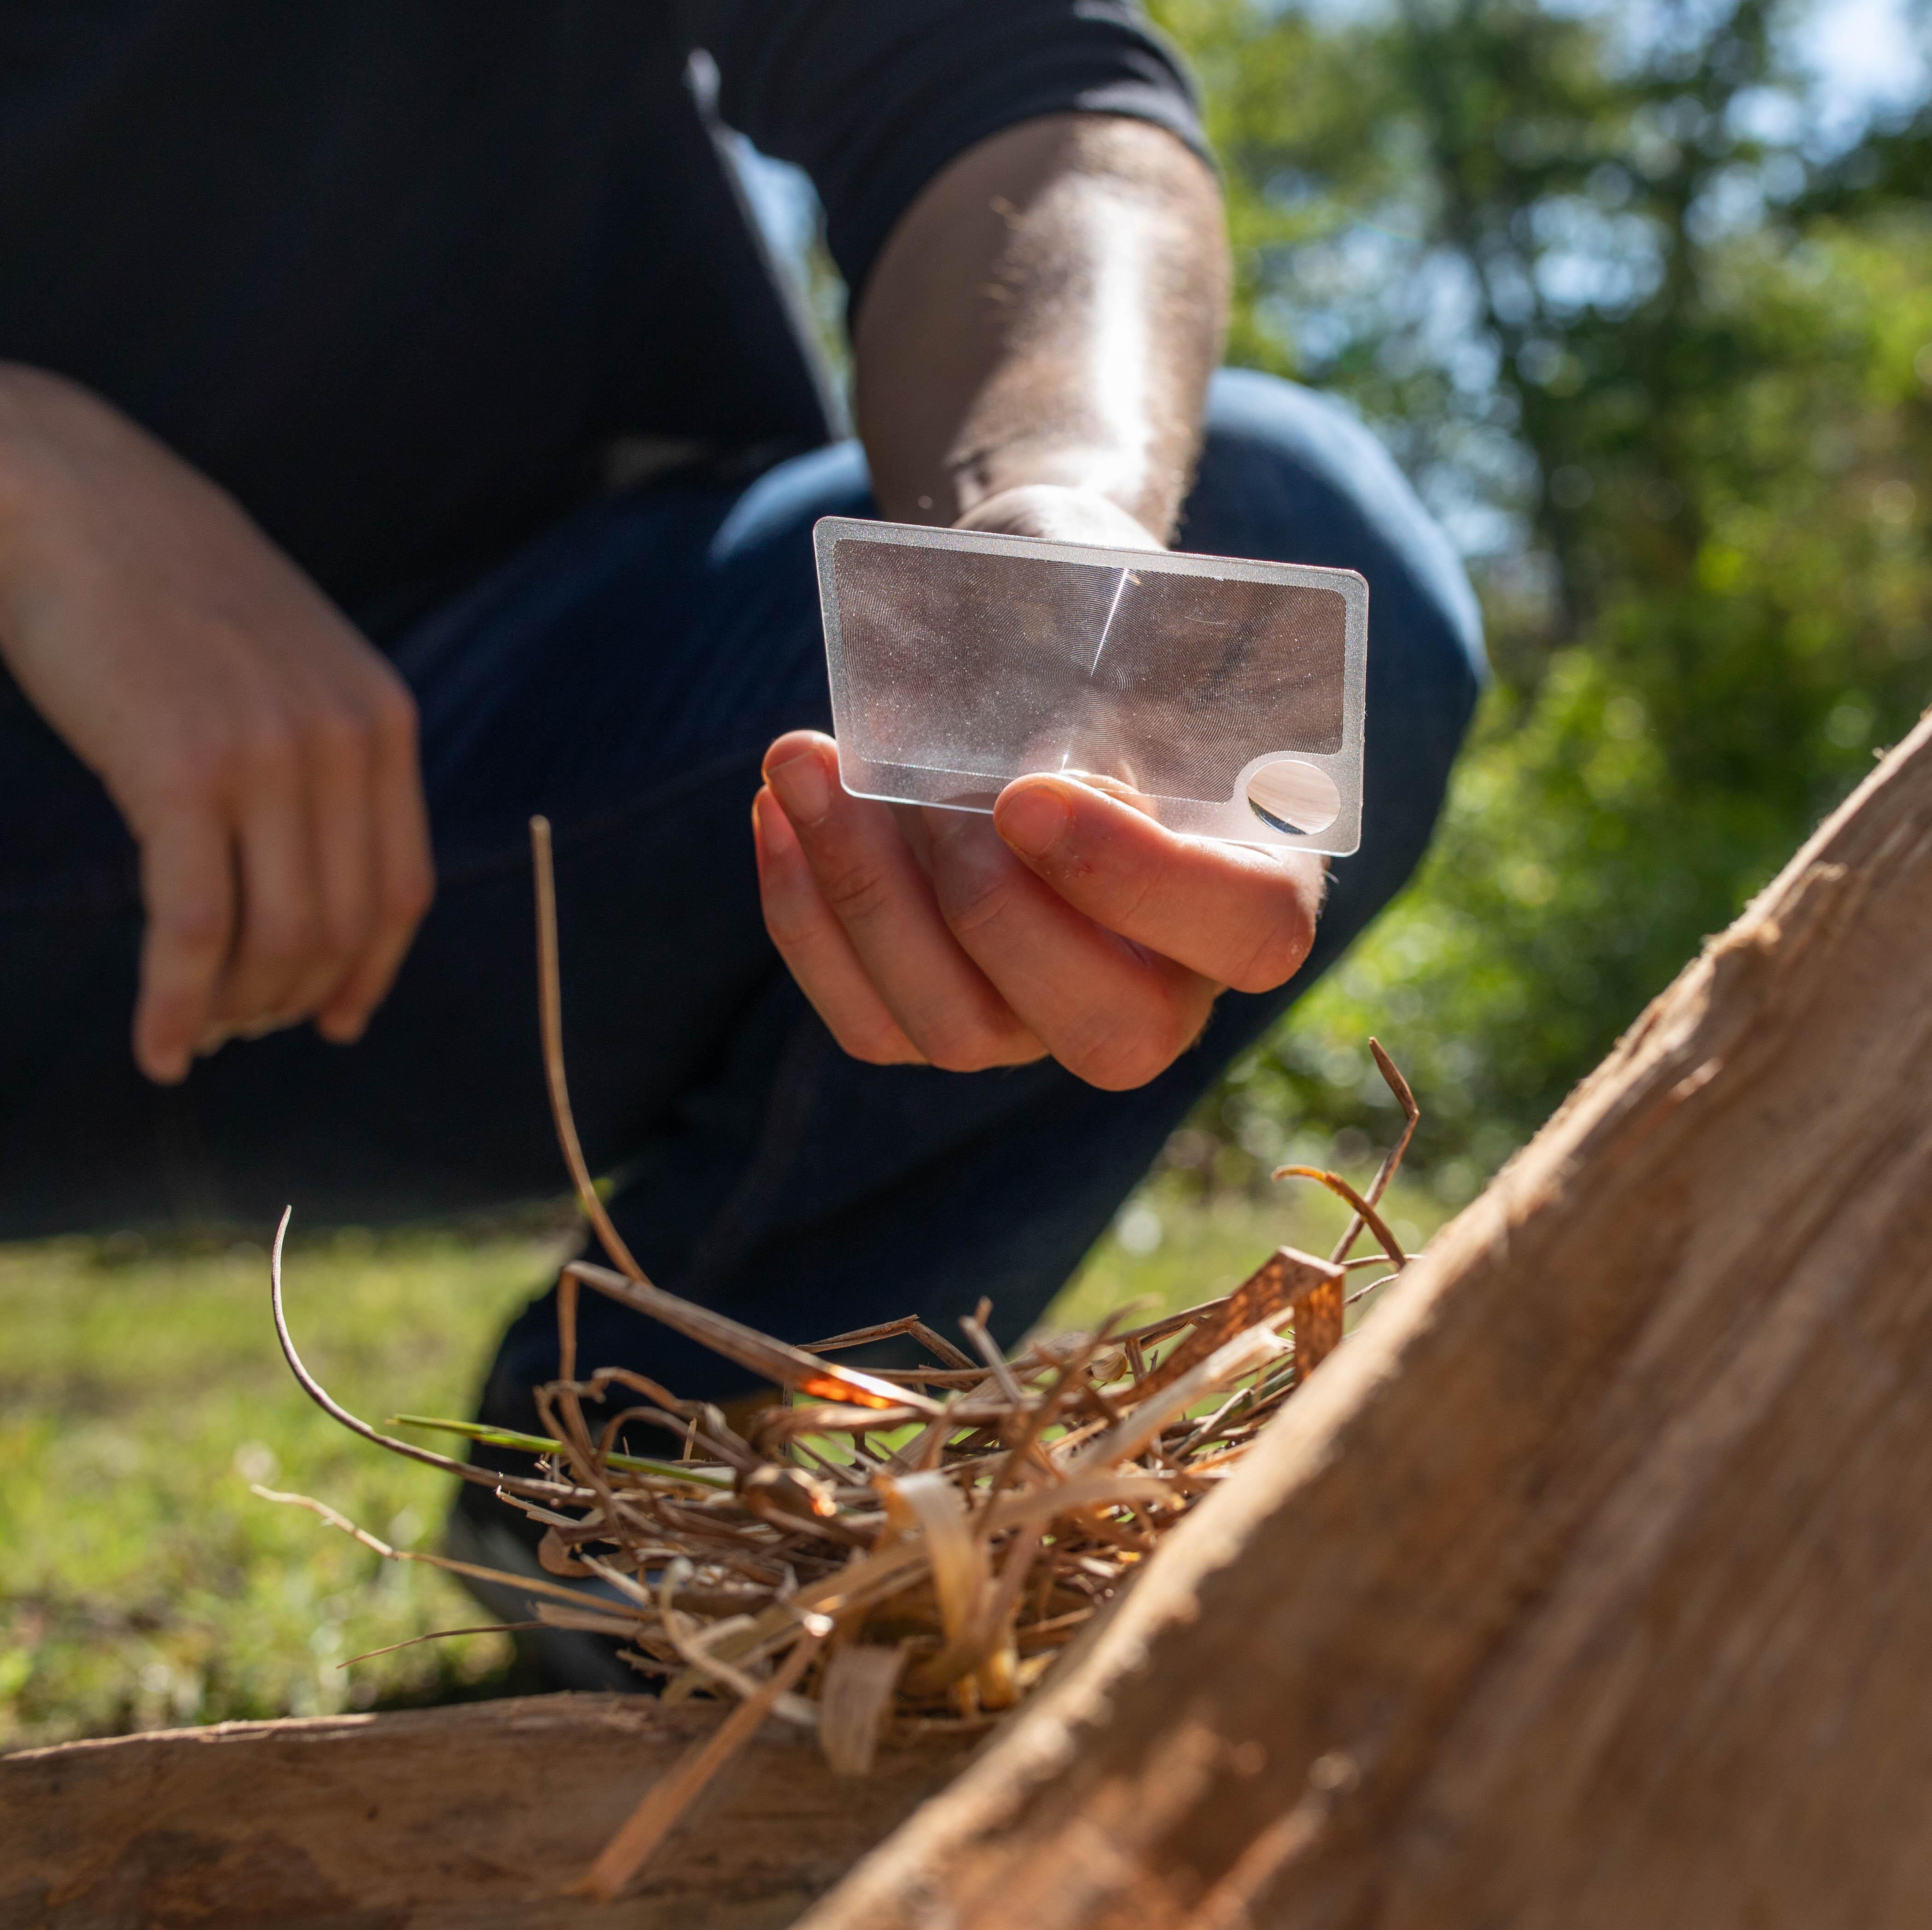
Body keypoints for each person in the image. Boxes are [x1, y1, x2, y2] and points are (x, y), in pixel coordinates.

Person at [0, 4, 1482, 1681]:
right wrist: (29, 476)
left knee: (1265, 558)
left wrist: (1039, 553)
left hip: (531, 761)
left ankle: (639, 1481)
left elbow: (1011, 76)